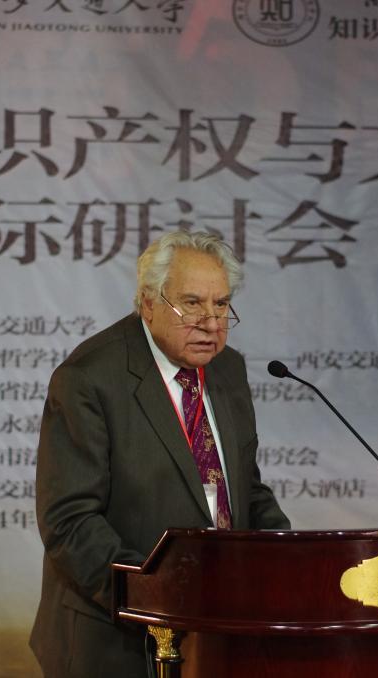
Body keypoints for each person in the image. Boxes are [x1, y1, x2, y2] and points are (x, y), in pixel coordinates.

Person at [30, 230, 290, 678]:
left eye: (221, 305)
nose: (211, 323)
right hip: (114, 639)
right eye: (192, 303)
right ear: (149, 303)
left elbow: (241, 489)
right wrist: (157, 592)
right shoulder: (89, 378)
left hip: (218, 632)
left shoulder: (227, 368)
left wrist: (287, 557)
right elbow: (69, 521)